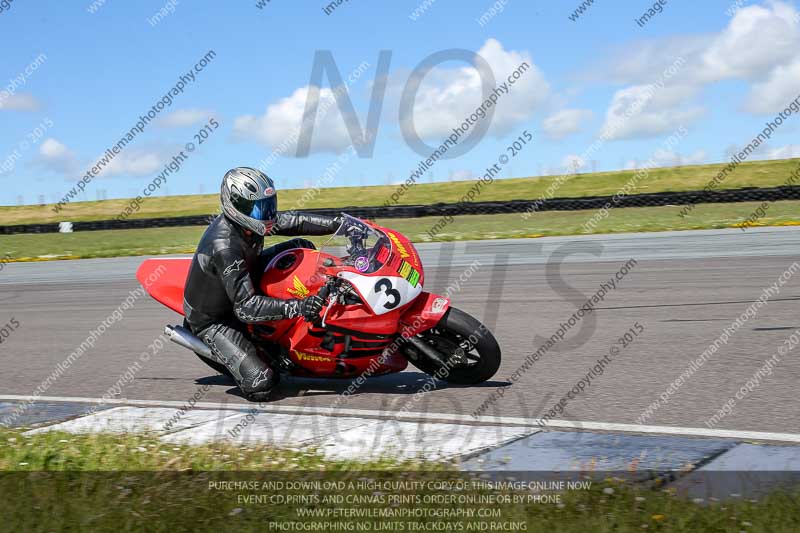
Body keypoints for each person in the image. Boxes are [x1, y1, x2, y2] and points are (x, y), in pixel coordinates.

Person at [183, 167, 341, 401]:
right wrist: (298, 306)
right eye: (258, 207)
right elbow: (245, 307)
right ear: (236, 205)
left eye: (268, 204)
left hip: (249, 274)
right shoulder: (225, 246)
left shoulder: (252, 222)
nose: (265, 213)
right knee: (263, 384)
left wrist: (341, 223)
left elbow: (296, 221)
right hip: (216, 319)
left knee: (302, 244)